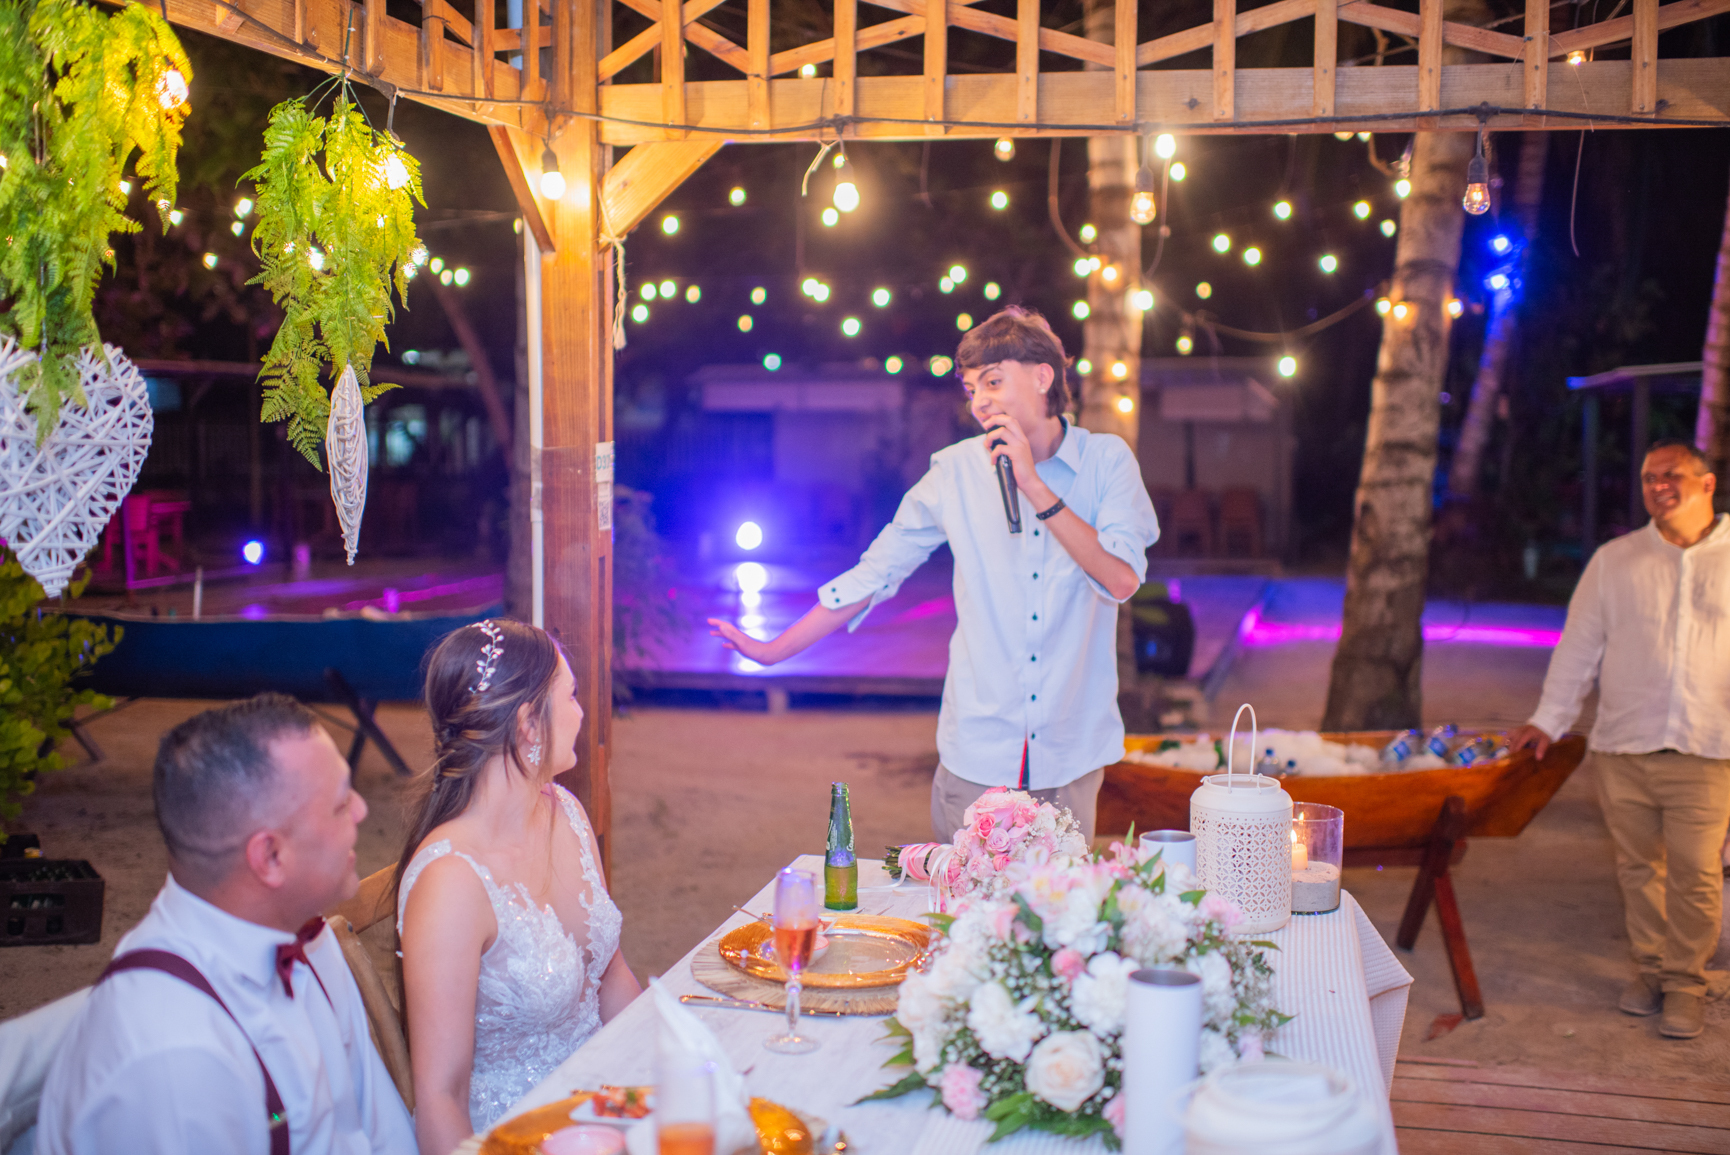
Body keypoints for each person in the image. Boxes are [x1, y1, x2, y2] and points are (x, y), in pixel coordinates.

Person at [709, 307, 1159, 842]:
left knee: (1060, 896)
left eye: (993, 381)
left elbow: (1121, 579)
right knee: (964, 896)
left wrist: (1034, 486)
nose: (980, 400)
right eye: (972, 389)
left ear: (1043, 377)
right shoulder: (954, 471)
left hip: (1070, 751)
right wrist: (774, 651)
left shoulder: (1106, 462)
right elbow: (876, 571)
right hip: (977, 749)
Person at [36, 694, 416, 1154]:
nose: (361, 810)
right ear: (270, 857)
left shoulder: (308, 937)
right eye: (339, 805)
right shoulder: (174, 1062)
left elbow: (380, 1129)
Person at [1510, 438, 1730, 1040]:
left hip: (1708, 749)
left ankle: (1686, 984)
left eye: (1672, 475)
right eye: (1649, 477)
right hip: (1624, 746)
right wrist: (1549, 720)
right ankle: (1652, 970)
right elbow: (1579, 646)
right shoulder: (1616, 559)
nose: (1659, 486)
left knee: (1697, 874)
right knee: (1638, 868)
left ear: (1706, 483)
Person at [395, 619, 640, 1154]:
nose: (581, 712)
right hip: (514, 1136)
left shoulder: (564, 812)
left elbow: (610, 974)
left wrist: (669, 1066)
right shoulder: (450, 881)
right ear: (530, 723)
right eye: (570, 696)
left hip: (603, 1109)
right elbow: (441, 1096)